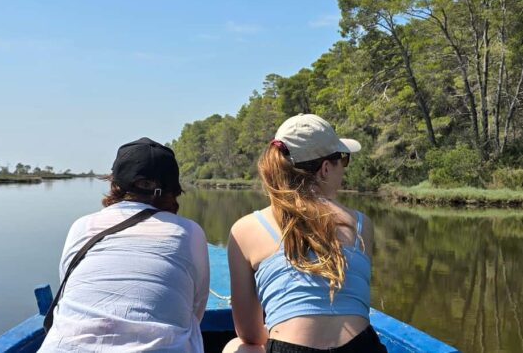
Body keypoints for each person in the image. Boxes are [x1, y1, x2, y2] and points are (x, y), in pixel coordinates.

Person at [223, 114, 387, 353]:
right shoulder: (361, 224)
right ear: (326, 168)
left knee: (236, 347)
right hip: (361, 348)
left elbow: (250, 334)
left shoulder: (245, 229)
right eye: (344, 160)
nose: (344, 169)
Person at [39, 137, 210, 353]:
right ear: (173, 191)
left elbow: (67, 289)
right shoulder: (189, 232)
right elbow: (195, 312)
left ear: (114, 184)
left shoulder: (83, 226)